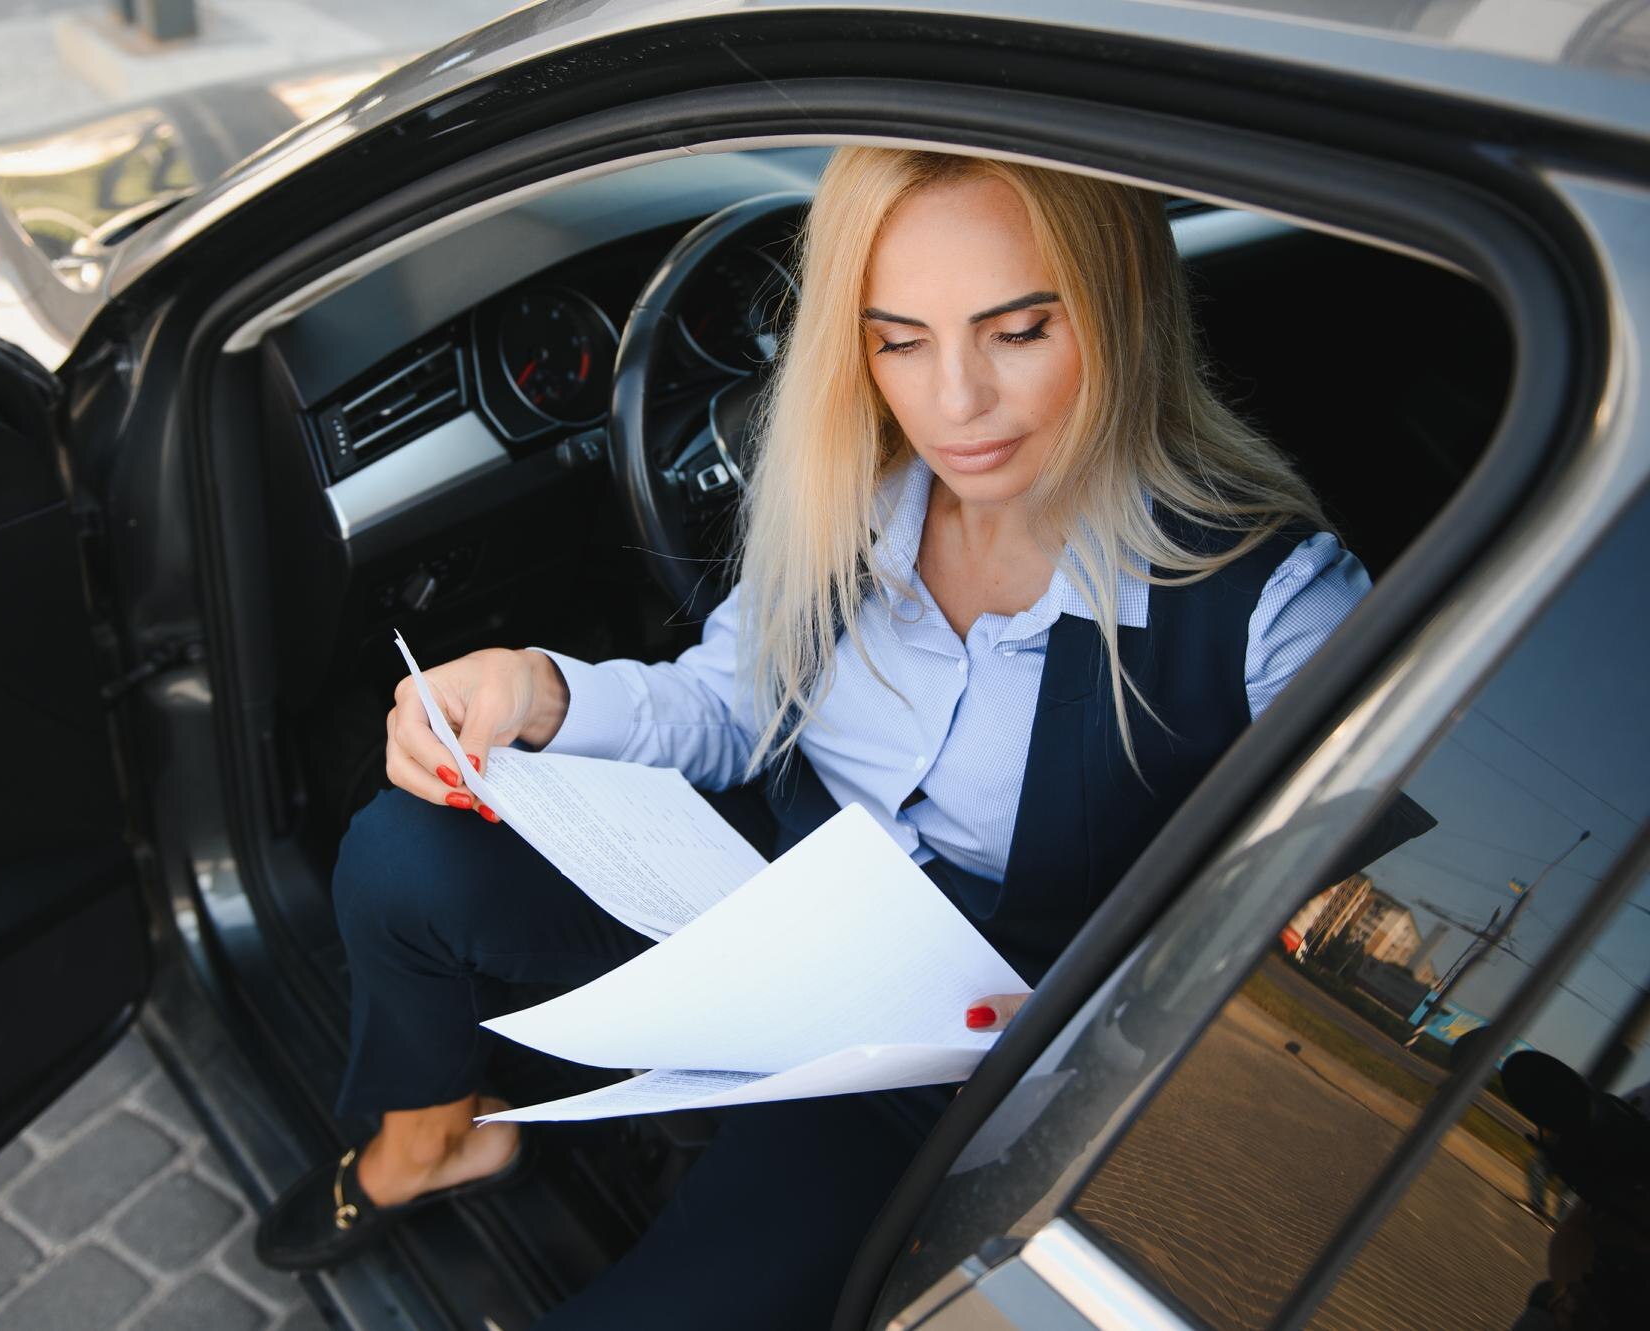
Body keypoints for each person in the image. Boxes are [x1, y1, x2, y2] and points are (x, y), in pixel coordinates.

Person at [255, 147, 1371, 1326]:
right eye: (899, 340)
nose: (954, 404)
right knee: (400, 856)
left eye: (1018, 331)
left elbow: (1278, 964)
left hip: (952, 1062)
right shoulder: (854, 482)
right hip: (759, 894)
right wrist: (541, 690)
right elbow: (733, 704)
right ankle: (433, 1138)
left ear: (1124, 312)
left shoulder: (1274, 611)